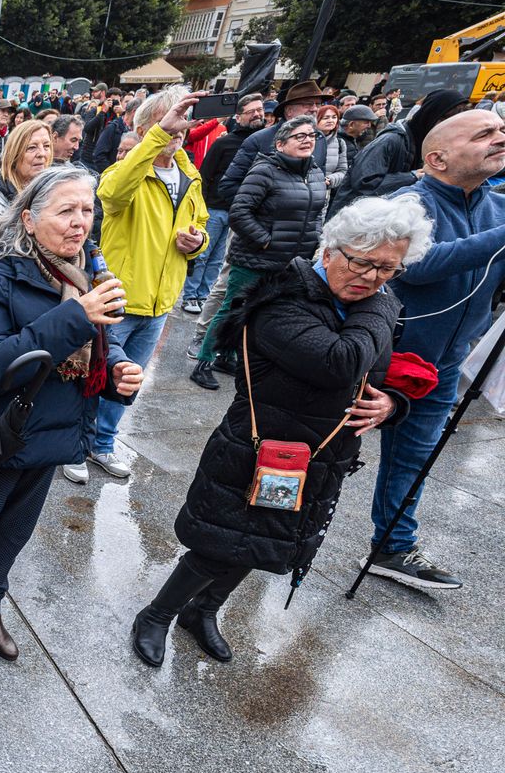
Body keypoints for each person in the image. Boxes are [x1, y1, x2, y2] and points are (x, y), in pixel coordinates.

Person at [133, 196, 428, 665]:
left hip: (315, 460)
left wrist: (392, 405)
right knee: (219, 547)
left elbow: (380, 371)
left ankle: (204, 611)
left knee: (263, 546)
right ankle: (157, 615)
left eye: (387, 270)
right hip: (255, 453)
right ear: (328, 251)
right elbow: (343, 362)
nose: (371, 278)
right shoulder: (283, 300)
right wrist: (383, 308)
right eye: (361, 262)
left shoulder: (367, 303)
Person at [0, 166, 140, 661]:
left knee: (13, 534)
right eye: (66, 211)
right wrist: (75, 317)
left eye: (87, 210)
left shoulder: (85, 271)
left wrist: (118, 368)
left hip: (54, 434)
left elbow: (105, 337)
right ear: (30, 221)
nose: (81, 222)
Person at [366, 110, 505, 589]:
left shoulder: (498, 206)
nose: (499, 138)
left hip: (443, 365)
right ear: (437, 158)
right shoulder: (408, 202)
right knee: (324, 452)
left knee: (413, 457)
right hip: (380, 356)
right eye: (484, 133)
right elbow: (421, 264)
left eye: (501, 131)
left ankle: (393, 546)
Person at [87, 89, 208, 480]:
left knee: (127, 383)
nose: (175, 133)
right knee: (93, 378)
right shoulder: (126, 170)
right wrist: (155, 137)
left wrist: (198, 241)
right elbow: (111, 193)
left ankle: (102, 445)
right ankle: (75, 445)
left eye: (179, 125)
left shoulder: (189, 173)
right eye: (165, 125)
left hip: (159, 303)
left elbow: (201, 222)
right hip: (119, 298)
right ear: (142, 130)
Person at [191, 115, 328, 390]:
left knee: (259, 314)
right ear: (280, 144)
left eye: (311, 135)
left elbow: (314, 215)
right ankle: (204, 361)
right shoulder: (264, 170)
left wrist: (313, 242)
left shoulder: (314, 173)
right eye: (299, 136)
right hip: (254, 258)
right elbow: (240, 213)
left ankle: (227, 357)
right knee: (232, 309)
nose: (307, 140)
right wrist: (266, 241)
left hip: (291, 262)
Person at [181, 93, 266, 318]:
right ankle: (190, 294)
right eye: (252, 111)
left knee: (219, 258)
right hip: (215, 208)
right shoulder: (225, 143)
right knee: (202, 253)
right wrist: (202, 208)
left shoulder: (265, 144)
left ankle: (203, 294)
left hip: (241, 212)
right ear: (238, 117)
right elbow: (205, 176)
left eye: (261, 110)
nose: (258, 114)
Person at [327, 90, 469, 218]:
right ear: (432, 116)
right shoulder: (391, 140)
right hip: (352, 220)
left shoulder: (426, 142)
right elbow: (364, 183)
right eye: (446, 122)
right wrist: (412, 176)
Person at [218, 81, 328, 208]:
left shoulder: (320, 140)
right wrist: (261, 213)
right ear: (289, 111)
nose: (314, 108)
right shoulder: (259, 139)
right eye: (307, 104)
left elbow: (319, 182)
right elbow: (229, 185)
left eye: (318, 104)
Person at [0, 118, 54, 244]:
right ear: (14, 154)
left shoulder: (59, 194)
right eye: (31, 147)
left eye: (46, 146)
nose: (42, 153)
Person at [314, 104, 355, 191]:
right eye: (325, 118)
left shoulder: (340, 143)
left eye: (334, 117)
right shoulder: (307, 140)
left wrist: (330, 180)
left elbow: (342, 171)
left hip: (325, 193)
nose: (330, 120)